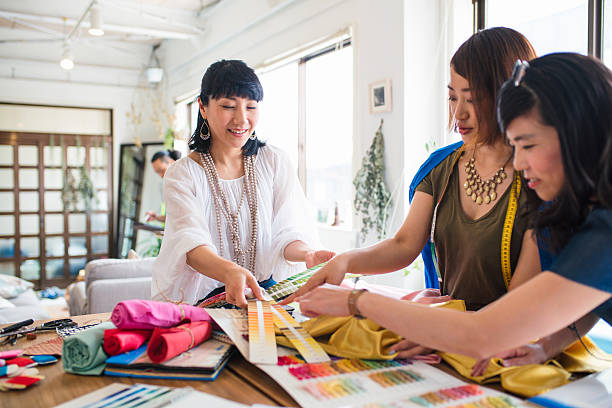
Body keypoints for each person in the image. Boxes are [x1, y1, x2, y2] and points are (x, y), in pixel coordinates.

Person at [296, 53, 612, 363]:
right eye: (452, 98)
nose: (519, 162)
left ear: (579, 134)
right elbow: (586, 294)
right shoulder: (593, 213)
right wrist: (547, 347)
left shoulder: (604, 228)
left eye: (528, 146)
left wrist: (357, 300)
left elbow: (484, 334)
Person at [285, 27, 544, 357]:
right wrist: (346, 260)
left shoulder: (538, 179)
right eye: (452, 97)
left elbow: (515, 311)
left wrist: (434, 328)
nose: (458, 114)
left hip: (510, 341)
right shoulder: (441, 168)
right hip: (446, 333)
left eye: (473, 99)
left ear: (509, 98)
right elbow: (405, 244)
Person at [152, 60, 334, 307]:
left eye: (251, 107)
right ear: (203, 107)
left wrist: (308, 254)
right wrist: (229, 272)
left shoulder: (274, 161)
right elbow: (190, 244)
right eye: (228, 106)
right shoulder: (182, 174)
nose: (242, 119)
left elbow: (287, 232)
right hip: (209, 303)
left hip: (267, 296)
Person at [145, 149, 181, 223]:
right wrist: (156, 217)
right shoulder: (170, 189)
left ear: (171, 162)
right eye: (158, 173)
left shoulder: (186, 180)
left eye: (162, 170)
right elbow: (174, 216)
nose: (161, 176)